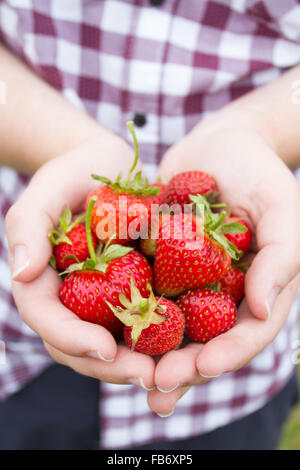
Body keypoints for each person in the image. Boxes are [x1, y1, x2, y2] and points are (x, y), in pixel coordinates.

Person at [0, 0, 300, 450]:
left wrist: (259, 131)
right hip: (22, 355)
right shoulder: (120, 238)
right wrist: (66, 144)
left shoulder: (193, 248)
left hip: (229, 394)